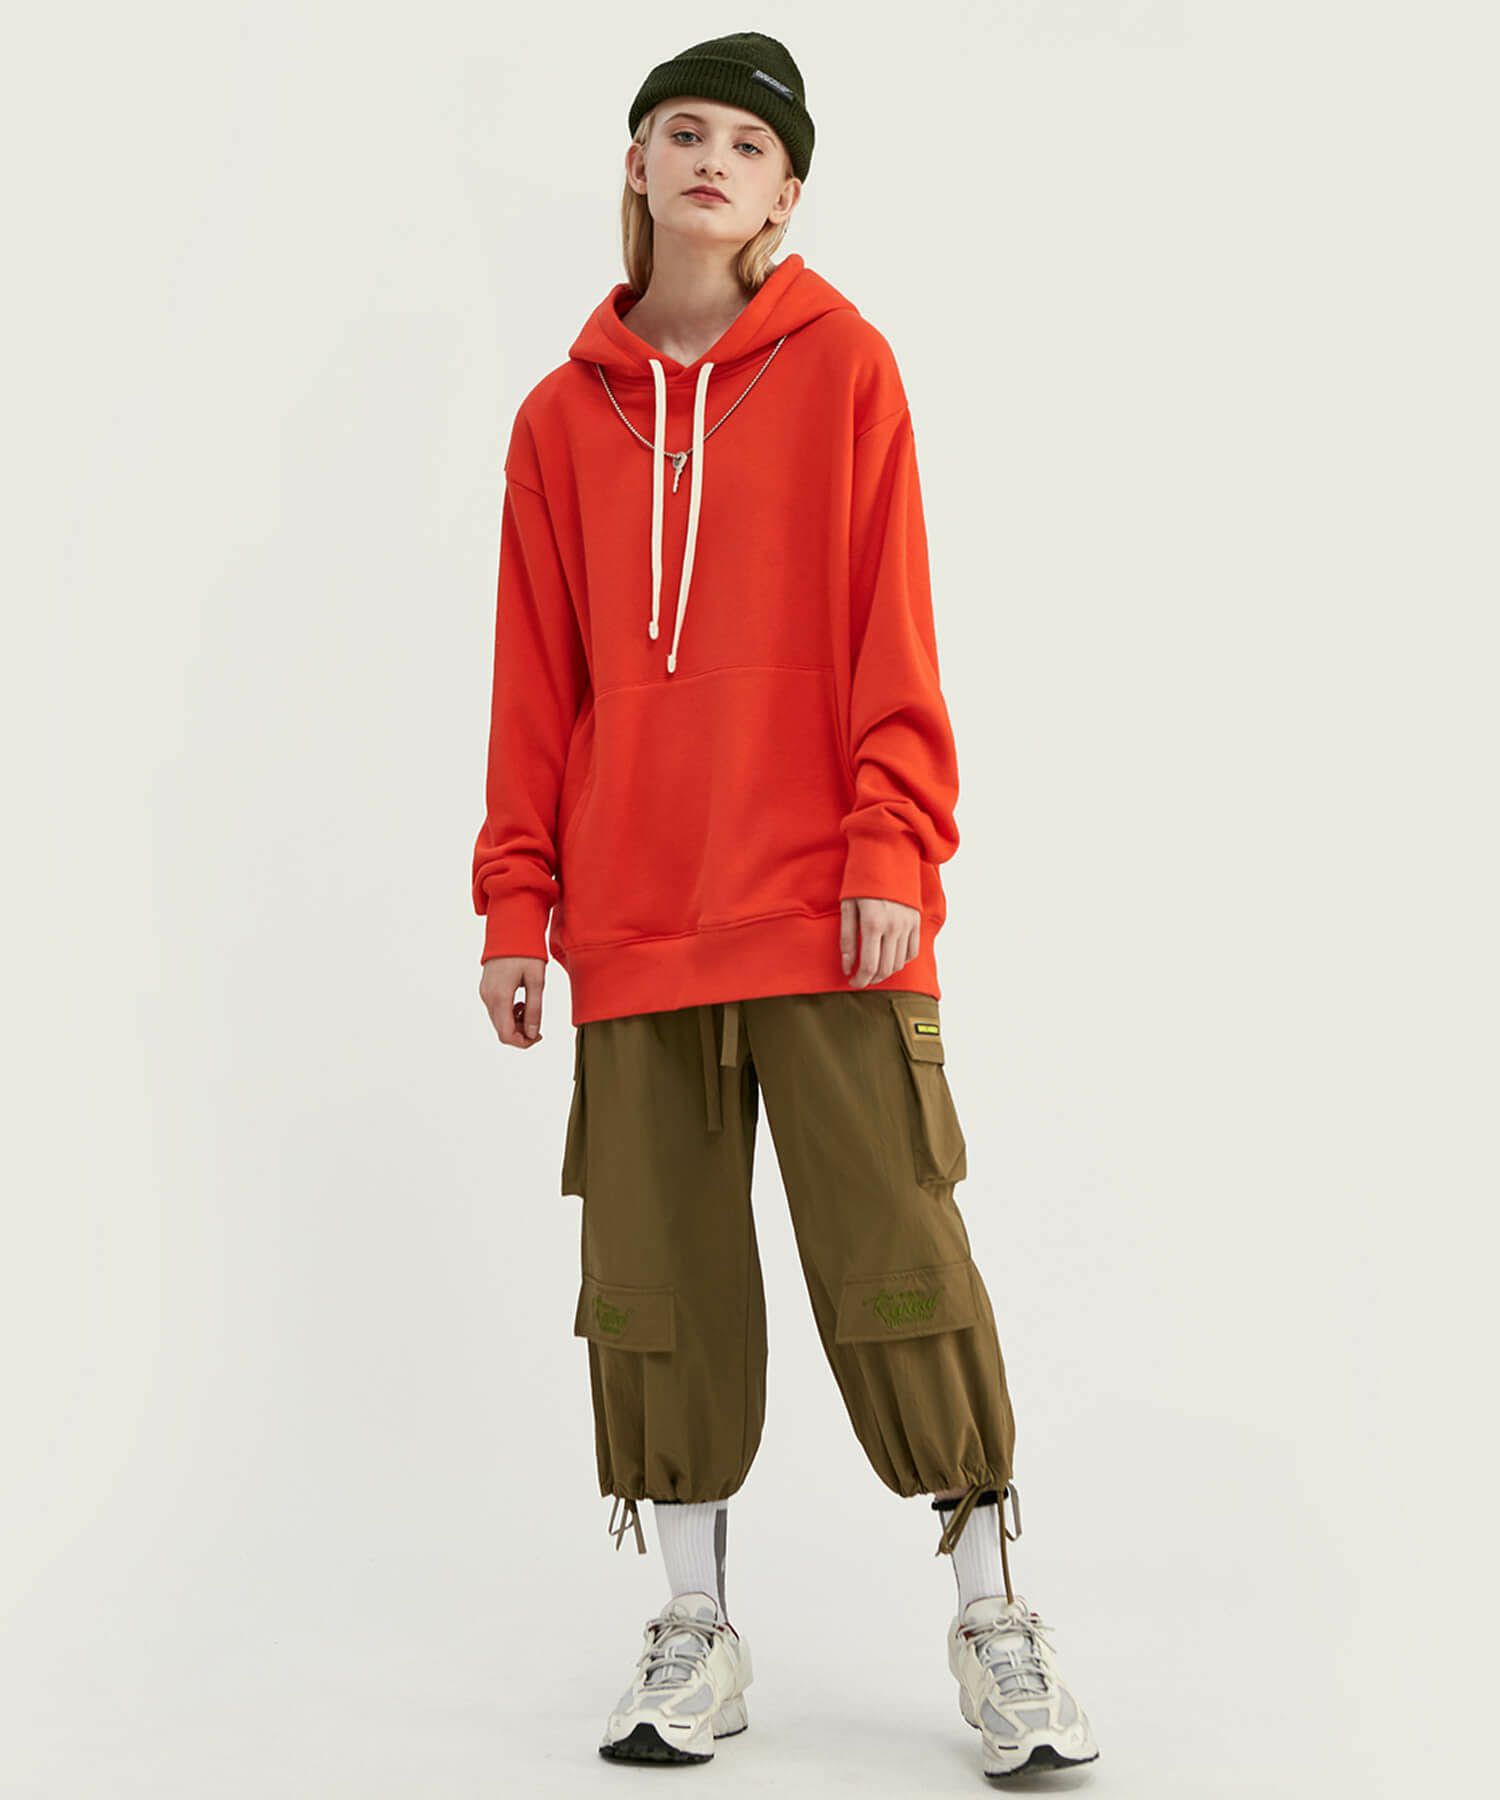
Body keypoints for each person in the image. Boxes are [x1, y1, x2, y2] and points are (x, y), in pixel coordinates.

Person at [471, 31, 1099, 1779]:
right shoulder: (558, 422)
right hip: (631, 928)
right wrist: (517, 902)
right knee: (655, 1290)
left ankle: (993, 1618)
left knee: (903, 1264)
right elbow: (534, 686)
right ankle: (695, 1632)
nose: (710, 160)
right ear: (637, 164)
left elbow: (892, 619)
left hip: (831, 914)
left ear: (785, 193)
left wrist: (893, 843)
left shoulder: (843, 371)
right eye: (682, 131)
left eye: (746, 145)